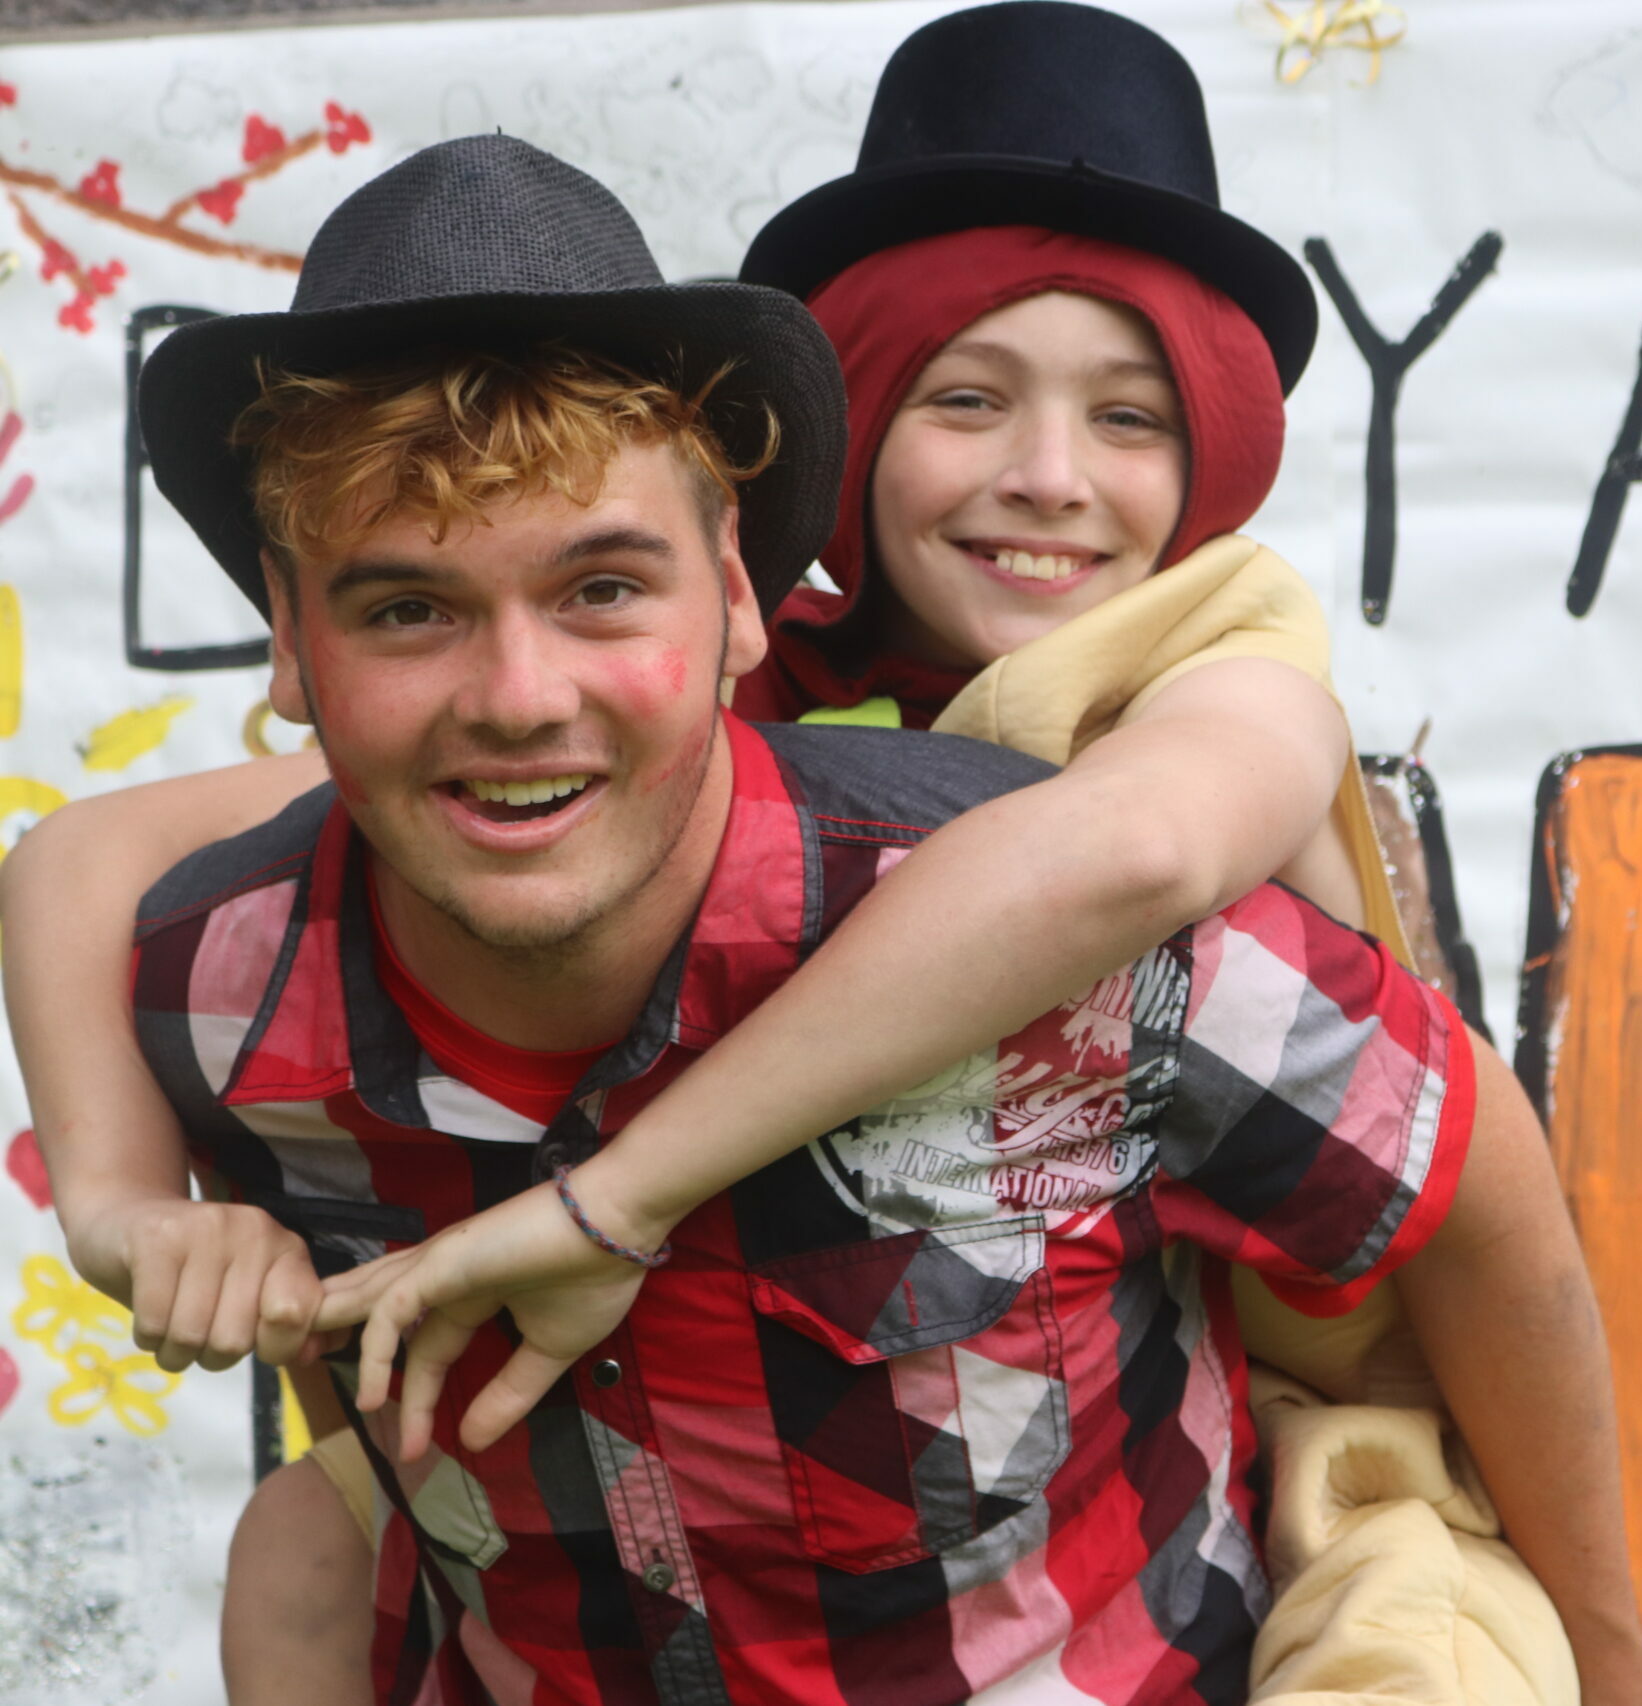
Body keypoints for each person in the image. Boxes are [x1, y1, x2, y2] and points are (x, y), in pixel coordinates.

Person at [4, 127, 1639, 1706]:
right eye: (407, 607)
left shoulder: (1057, 909)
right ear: (288, 647)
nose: (517, 698)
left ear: (734, 598)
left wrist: (1611, 1651)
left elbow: (1456, 1162)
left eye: (600, 589)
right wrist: (124, 1205)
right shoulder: (221, 1001)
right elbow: (80, 875)